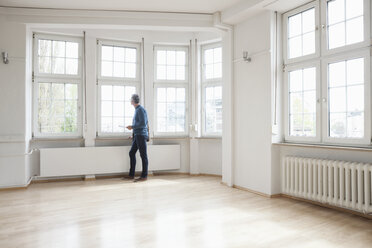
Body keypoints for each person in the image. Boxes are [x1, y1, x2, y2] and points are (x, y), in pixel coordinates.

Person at [125, 94, 149, 182]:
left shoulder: (140, 110)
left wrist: (132, 127)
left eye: (131, 100)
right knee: (131, 153)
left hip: (141, 136)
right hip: (137, 135)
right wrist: (133, 135)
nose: (130, 101)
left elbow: (143, 124)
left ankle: (144, 176)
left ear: (133, 101)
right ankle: (131, 175)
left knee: (143, 156)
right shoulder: (137, 110)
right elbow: (139, 124)